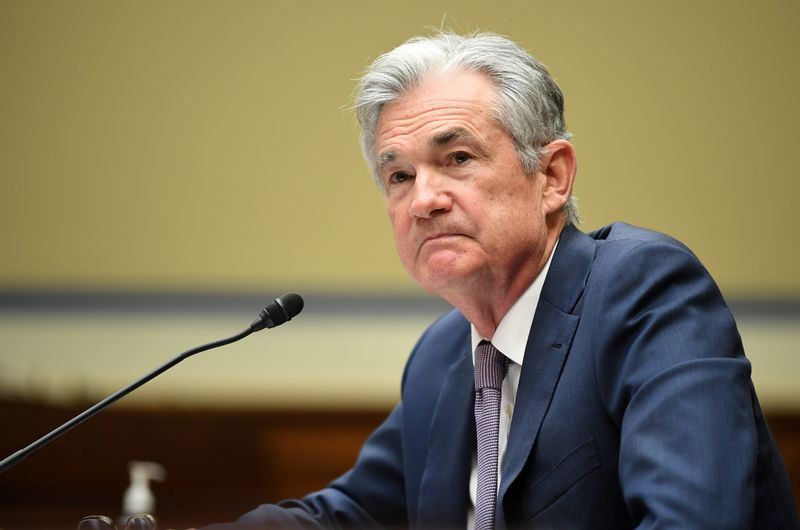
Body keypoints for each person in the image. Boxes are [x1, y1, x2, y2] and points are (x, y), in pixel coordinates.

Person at [207, 32, 798, 529]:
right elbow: (349, 514)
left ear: (553, 177)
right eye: (400, 176)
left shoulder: (643, 293)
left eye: (458, 158)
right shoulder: (442, 356)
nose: (424, 201)